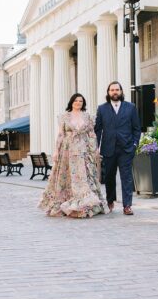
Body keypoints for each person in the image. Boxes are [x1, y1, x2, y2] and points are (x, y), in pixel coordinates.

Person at [39, 93, 108, 218]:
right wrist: (56, 151)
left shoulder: (88, 117)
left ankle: (85, 205)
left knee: (84, 177)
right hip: (67, 151)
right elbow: (61, 135)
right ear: (71, 102)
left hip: (83, 150)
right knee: (67, 176)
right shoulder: (64, 117)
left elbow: (92, 135)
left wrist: (95, 151)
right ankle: (65, 202)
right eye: (76, 100)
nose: (78, 103)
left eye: (81, 101)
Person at [94, 81, 141, 216]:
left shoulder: (130, 107)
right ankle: (110, 201)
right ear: (108, 93)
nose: (115, 92)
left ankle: (127, 206)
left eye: (117, 90)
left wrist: (134, 144)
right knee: (109, 177)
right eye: (112, 90)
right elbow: (98, 130)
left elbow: (136, 128)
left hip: (126, 148)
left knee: (126, 177)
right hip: (108, 148)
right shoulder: (102, 109)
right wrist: (96, 147)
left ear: (121, 91)